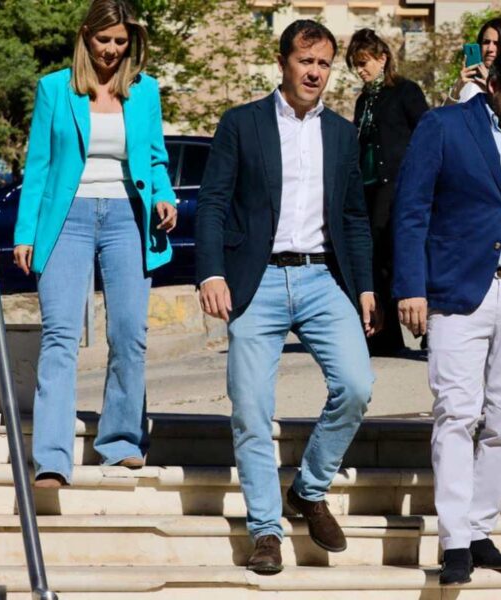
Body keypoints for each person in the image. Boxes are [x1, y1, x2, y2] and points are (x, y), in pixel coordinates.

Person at [195, 20, 378, 574]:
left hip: (323, 279)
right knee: (251, 409)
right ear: (283, 63)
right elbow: (213, 202)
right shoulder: (242, 123)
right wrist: (211, 273)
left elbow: (353, 216)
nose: (315, 72)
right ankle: (266, 532)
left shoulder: (341, 134)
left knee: (356, 385)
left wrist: (365, 285)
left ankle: (309, 488)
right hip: (258, 280)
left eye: (324, 63)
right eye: (305, 61)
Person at [394, 46, 501, 585]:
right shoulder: (443, 126)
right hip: (455, 292)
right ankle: (454, 542)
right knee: (456, 412)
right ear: (493, 84)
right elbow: (412, 210)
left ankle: (478, 529)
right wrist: (411, 287)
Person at [13, 0, 178, 488]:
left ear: (132, 42)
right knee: (60, 336)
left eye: (121, 41)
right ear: (86, 36)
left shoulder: (145, 91)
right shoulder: (54, 88)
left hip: (127, 217)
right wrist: (25, 233)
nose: (111, 49)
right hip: (67, 218)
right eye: (104, 39)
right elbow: (38, 165)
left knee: (129, 334)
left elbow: (156, 158)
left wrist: (164, 196)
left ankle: (121, 443)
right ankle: (51, 458)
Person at [347, 29, 429, 356]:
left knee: (400, 253)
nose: (360, 70)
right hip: (369, 188)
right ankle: (385, 334)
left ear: (382, 59)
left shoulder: (406, 91)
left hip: (399, 185)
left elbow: (426, 134)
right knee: (376, 255)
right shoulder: (364, 100)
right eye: (355, 64)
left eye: (364, 62)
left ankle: (428, 326)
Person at [447, 17, 501, 105]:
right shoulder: (467, 79)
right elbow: (443, 113)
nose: (490, 49)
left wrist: (492, 89)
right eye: (486, 42)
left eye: (497, 44)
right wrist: (456, 90)